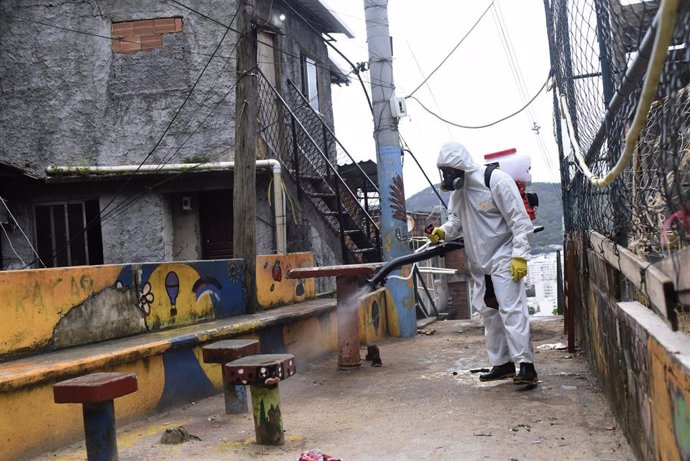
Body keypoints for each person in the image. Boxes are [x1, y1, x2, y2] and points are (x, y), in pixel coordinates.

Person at [426, 141, 538, 385]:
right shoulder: (458, 193)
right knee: (489, 313)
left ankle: (527, 366)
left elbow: (520, 222)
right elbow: (455, 222)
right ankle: (503, 364)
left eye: (449, 171)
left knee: (511, 309)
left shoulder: (495, 180)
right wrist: (442, 232)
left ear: (461, 166)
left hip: (504, 255)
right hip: (479, 261)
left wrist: (520, 256)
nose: (447, 176)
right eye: (444, 171)